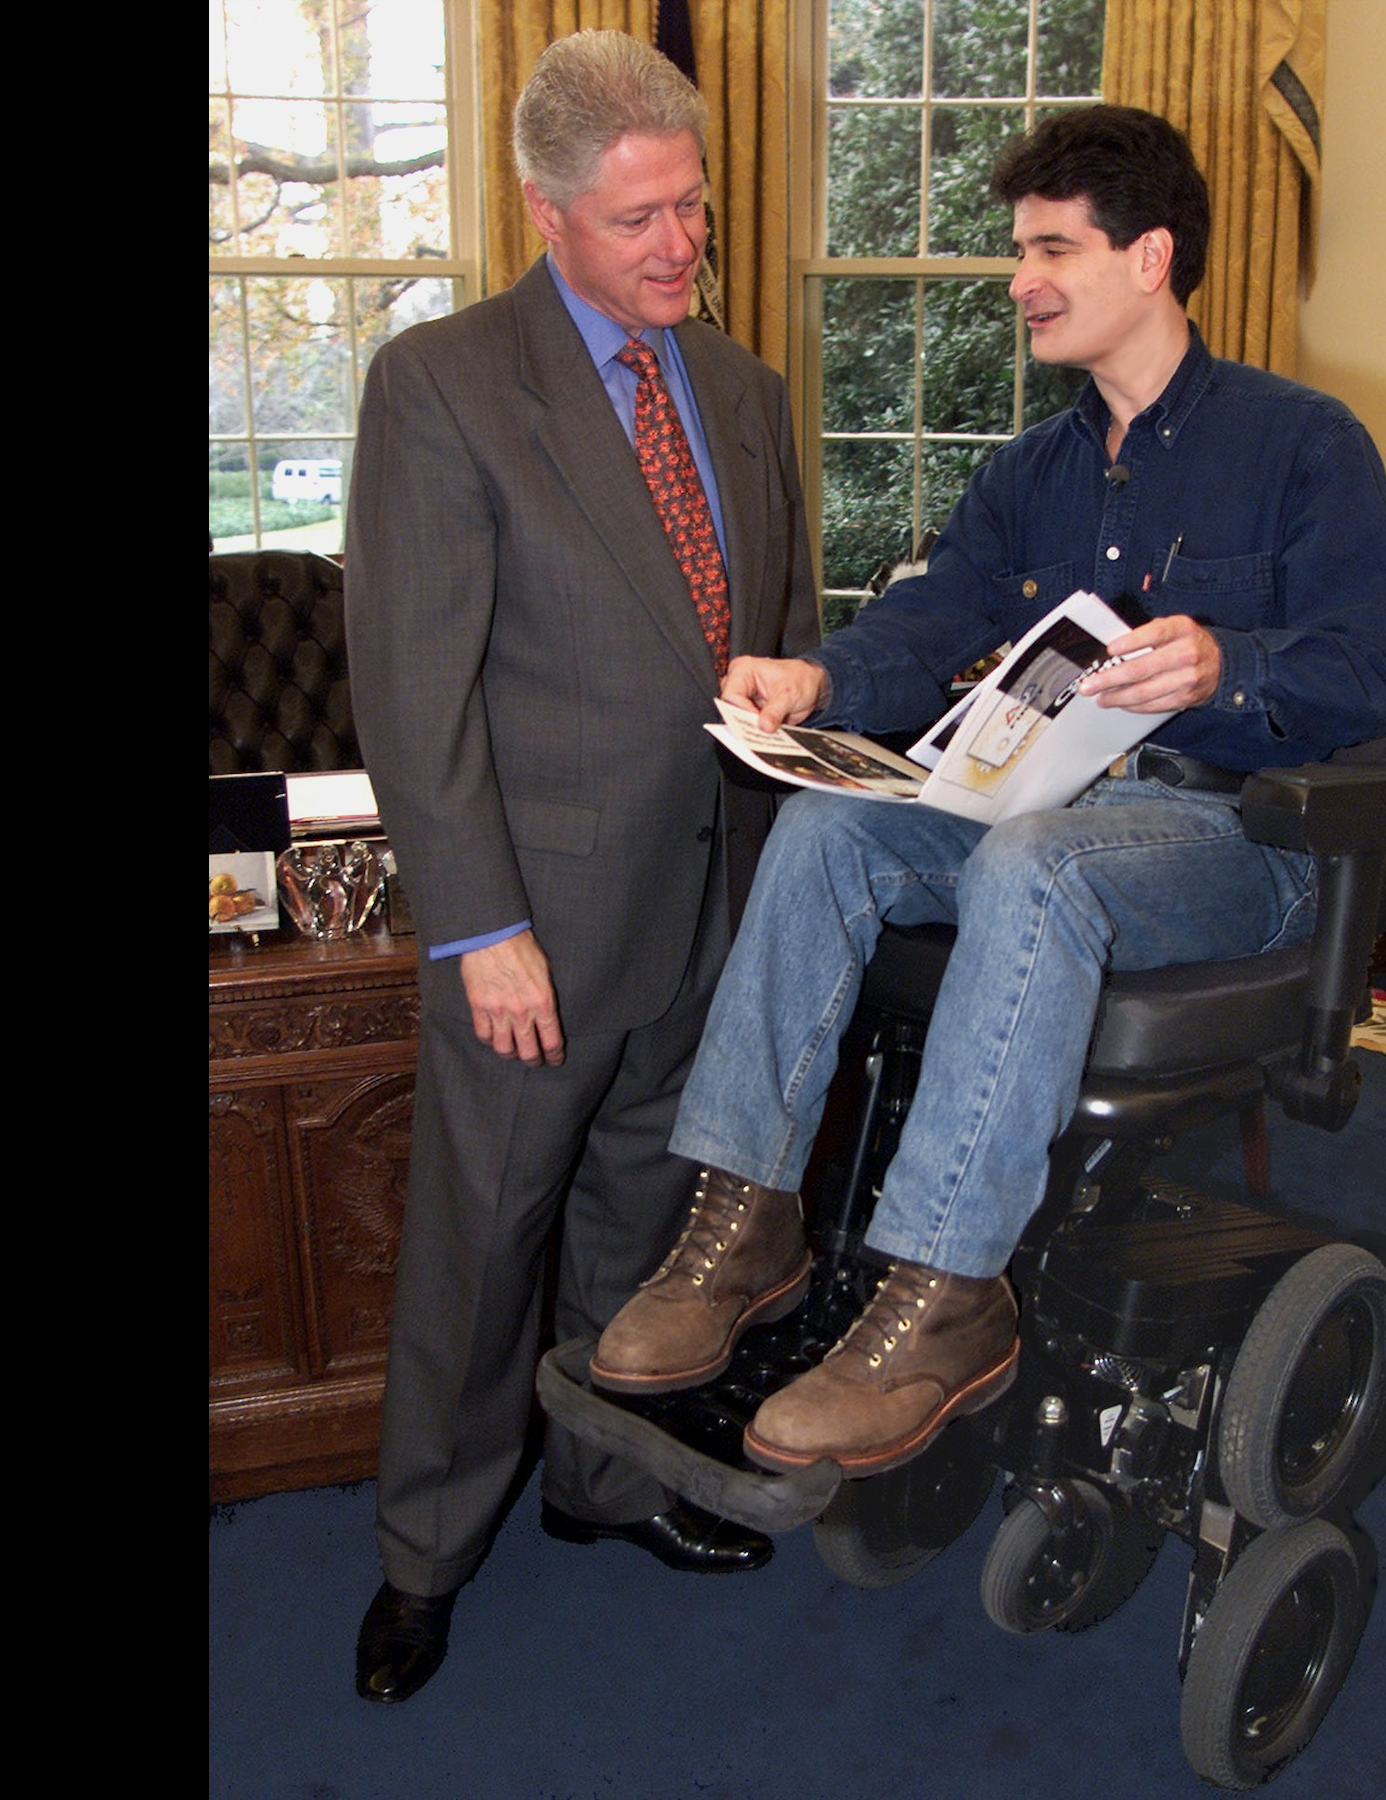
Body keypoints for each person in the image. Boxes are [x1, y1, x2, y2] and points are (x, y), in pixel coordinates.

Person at [590, 103, 1386, 1480]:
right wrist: (818, 680)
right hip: (1040, 810)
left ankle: (940, 1292)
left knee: (1032, 862)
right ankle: (744, 1224)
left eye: (1051, 248)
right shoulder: (1034, 470)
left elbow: (1372, 675)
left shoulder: (1304, 445)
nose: (1020, 278)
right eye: (1018, 249)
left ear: (1149, 258)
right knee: (827, 829)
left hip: (1236, 833)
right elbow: (927, 629)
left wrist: (1229, 661)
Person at [343, 29, 820, 1705]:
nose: (680, 245)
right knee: (483, 1251)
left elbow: (788, 641)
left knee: (649, 1225)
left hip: (716, 903)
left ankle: (605, 1486)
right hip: (535, 924)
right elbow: (413, 685)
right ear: (548, 213)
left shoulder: (750, 392)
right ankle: (424, 1555)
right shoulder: (448, 384)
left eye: (692, 207)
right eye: (639, 222)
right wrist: (479, 923)